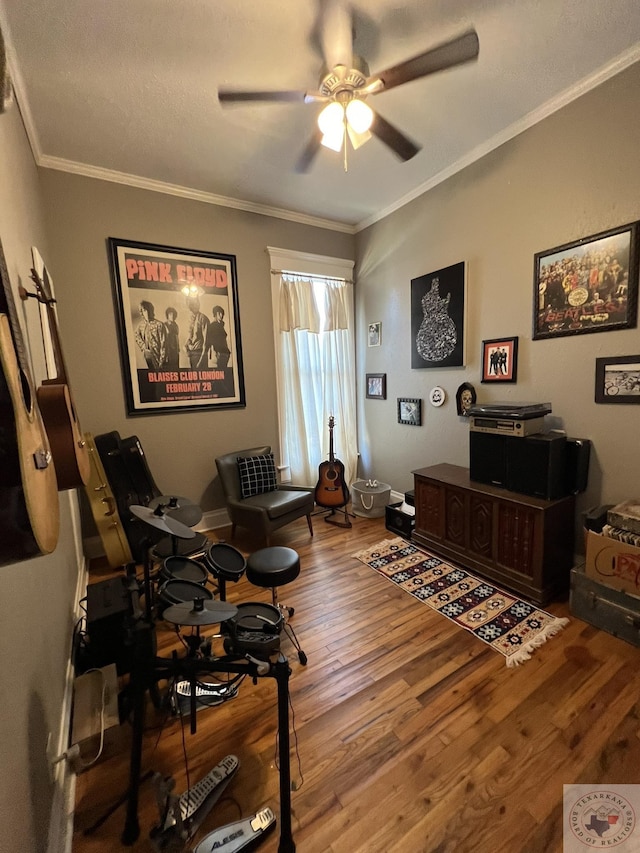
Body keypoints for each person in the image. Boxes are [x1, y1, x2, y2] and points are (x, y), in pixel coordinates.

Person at [134, 300, 167, 370]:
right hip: (148, 354)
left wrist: (162, 360)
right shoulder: (140, 326)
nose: (147, 313)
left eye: (148, 310)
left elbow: (163, 343)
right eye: (144, 311)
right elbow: (137, 336)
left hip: (158, 354)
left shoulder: (159, 325)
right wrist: (144, 347)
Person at [184, 295, 209, 369]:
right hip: (192, 354)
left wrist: (201, 360)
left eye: (194, 303)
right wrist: (186, 347)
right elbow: (189, 336)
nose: (191, 307)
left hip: (200, 353)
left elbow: (206, 342)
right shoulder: (190, 319)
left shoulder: (203, 318)